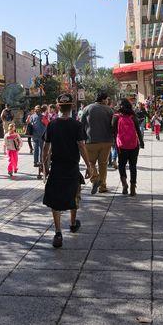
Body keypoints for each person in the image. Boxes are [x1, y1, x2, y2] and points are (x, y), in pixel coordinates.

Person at [41, 94, 92, 248]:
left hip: (57, 166)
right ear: (72, 106)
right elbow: (81, 146)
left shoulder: (52, 124)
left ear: (58, 106)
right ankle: (72, 223)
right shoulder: (76, 125)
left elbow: (45, 148)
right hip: (72, 166)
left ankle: (57, 232)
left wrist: (45, 165)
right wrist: (89, 165)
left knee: (54, 199)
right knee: (74, 194)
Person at [78, 92, 112, 194]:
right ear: (103, 100)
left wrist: (82, 138)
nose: (107, 101)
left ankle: (95, 178)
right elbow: (113, 124)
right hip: (106, 141)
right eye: (106, 99)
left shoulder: (87, 108)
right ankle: (103, 186)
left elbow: (81, 124)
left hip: (90, 141)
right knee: (103, 164)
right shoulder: (109, 110)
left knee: (91, 163)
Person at [112, 98, 144, 195]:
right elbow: (138, 131)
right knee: (133, 166)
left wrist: (114, 144)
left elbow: (113, 132)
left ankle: (124, 184)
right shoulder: (133, 116)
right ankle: (133, 187)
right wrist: (141, 142)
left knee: (121, 165)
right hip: (134, 145)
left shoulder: (116, 116)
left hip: (121, 146)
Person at [28, 106, 47, 174]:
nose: (37, 110)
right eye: (36, 109)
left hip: (39, 135)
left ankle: (38, 161)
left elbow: (46, 124)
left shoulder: (40, 116)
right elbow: (30, 124)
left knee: (39, 149)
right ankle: (37, 161)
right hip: (37, 135)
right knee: (38, 149)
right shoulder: (35, 116)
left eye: (38, 109)